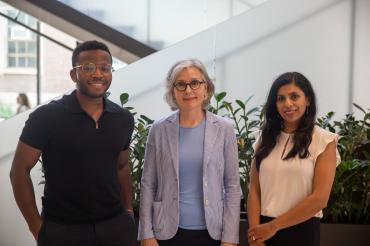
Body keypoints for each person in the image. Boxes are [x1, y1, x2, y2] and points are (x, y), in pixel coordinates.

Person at [10, 40, 135, 246]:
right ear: (73, 74)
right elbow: (18, 171)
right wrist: (36, 227)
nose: (98, 74)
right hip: (63, 231)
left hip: (115, 228)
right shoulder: (46, 117)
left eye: (105, 68)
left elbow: (122, 167)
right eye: (88, 68)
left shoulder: (122, 119)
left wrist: (128, 212)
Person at [138, 59, 241, 246]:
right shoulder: (159, 129)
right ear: (172, 91)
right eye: (181, 84)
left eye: (195, 83)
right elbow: (148, 183)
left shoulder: (224, 129)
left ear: (206, 88)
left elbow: (233, 186)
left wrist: (230, 238)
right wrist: (146, 233)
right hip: (166, 233)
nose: (188, 90)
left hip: (212, 234)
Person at [247, 72, 341, 246]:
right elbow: (254, 190)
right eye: (280, 98)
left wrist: (273, 227)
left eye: (294, 96)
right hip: (262, 231)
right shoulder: (263, 138)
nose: (287, 104)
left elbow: (319, 199)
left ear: (308, 100)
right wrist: (255, 235)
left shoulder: (324, 140)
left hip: (302, 231)